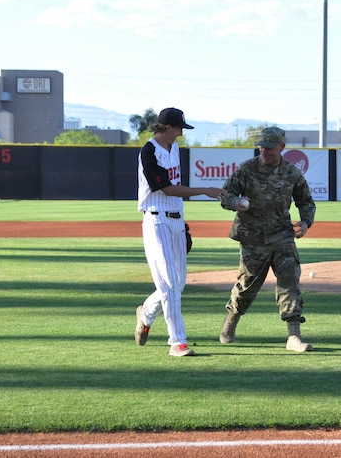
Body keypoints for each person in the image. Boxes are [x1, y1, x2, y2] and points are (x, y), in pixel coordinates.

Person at [135, 107, 227, 357]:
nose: (181, 133)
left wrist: (183, 223)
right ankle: (177, 342)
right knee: (168, 285)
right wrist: (205, 190)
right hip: (156, 221)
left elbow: (175, 188)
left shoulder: (174, 148)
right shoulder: (149, 151)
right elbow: (166, 189)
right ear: (167, 127)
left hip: (176, 220)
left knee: (178, 284)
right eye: (179, 128)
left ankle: (146, 313)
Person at [218, 126, 316, 352]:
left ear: (281, 147)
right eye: (262, 146)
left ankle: (294, 336)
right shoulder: (246, 170)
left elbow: (306, 201)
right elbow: (225, 196)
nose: (264, 151)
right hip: (252, 238)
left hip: (282, 235)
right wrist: (235, 202)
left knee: (290, 278)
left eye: (270, 147)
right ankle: (231, 319)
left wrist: (305, 222)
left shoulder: (292, 173)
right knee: (247, 286)